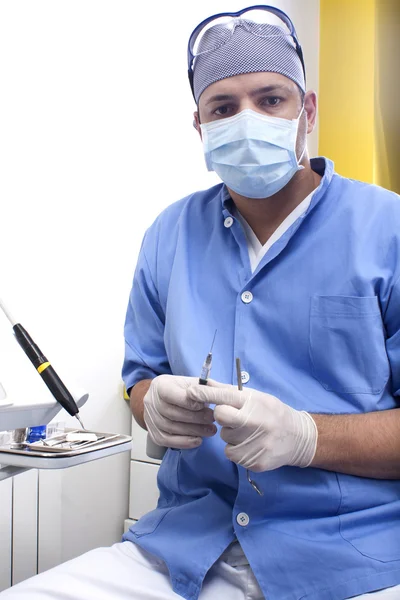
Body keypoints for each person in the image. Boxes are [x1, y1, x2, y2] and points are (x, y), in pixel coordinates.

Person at [3, 5, 400, 600]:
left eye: (270, 100)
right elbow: (141, 380)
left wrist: (307, 437)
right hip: (183, 547)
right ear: (200, 126)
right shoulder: (169, 234)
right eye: (223, 107)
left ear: (307, 112)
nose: (247, 120)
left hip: (350, 557)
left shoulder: (386, 229)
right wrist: (152, 404)